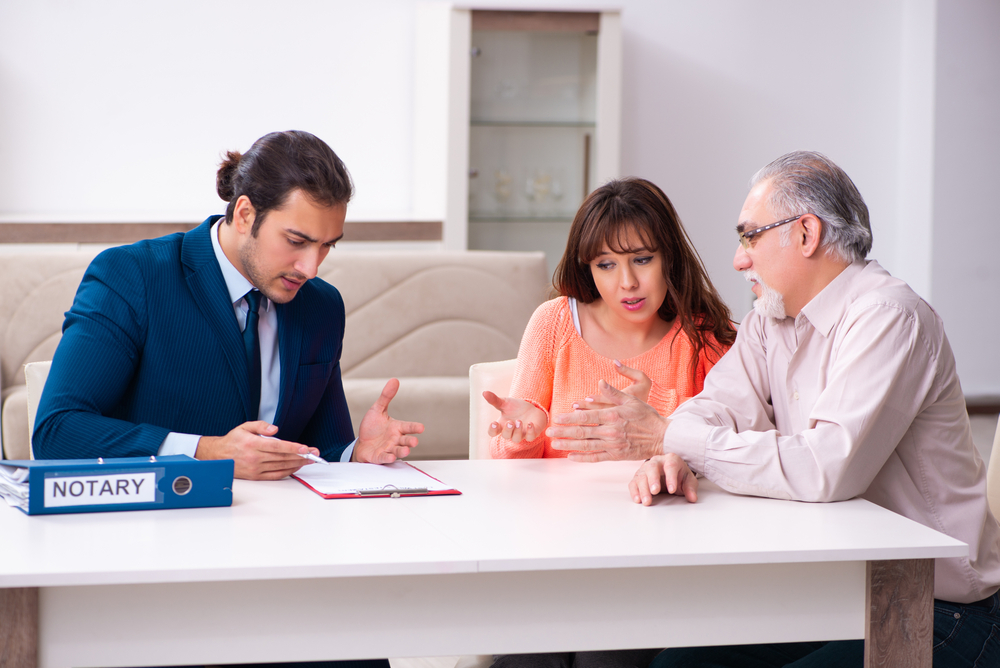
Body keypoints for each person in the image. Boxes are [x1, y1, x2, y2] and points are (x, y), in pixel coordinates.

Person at [546, 151, 1000, 666]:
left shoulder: (889, 316)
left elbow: (824, 469)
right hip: (839, 591)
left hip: (934, 606)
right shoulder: (770, 320)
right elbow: (712, 407)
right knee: (676, 664)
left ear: (806, 233)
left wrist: (667, 438)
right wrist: (676, 444)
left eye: (749, 236)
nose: (739, 259)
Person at [34, 130, 423, 482]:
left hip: (283, 535)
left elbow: (318, 451)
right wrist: (205, 452)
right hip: (158, 527)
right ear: (244, 214)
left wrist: (358, 454)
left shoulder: (321, 306)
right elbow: (58, 431)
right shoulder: (133, 276)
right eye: (296, 241)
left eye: (326, 245)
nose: (311, 267)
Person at [484, 178, 735, 668]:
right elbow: (510, 469)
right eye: (606, 265)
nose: (627, 283)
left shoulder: (704, 339)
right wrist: (523, 436)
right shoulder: (555, 322)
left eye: (642, 259)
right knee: (529, 660)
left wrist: (657, 422)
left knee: (607, 657)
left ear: (670, 257)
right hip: (553, 555)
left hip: (654, 562)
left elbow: (731, 451)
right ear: (588, 267)